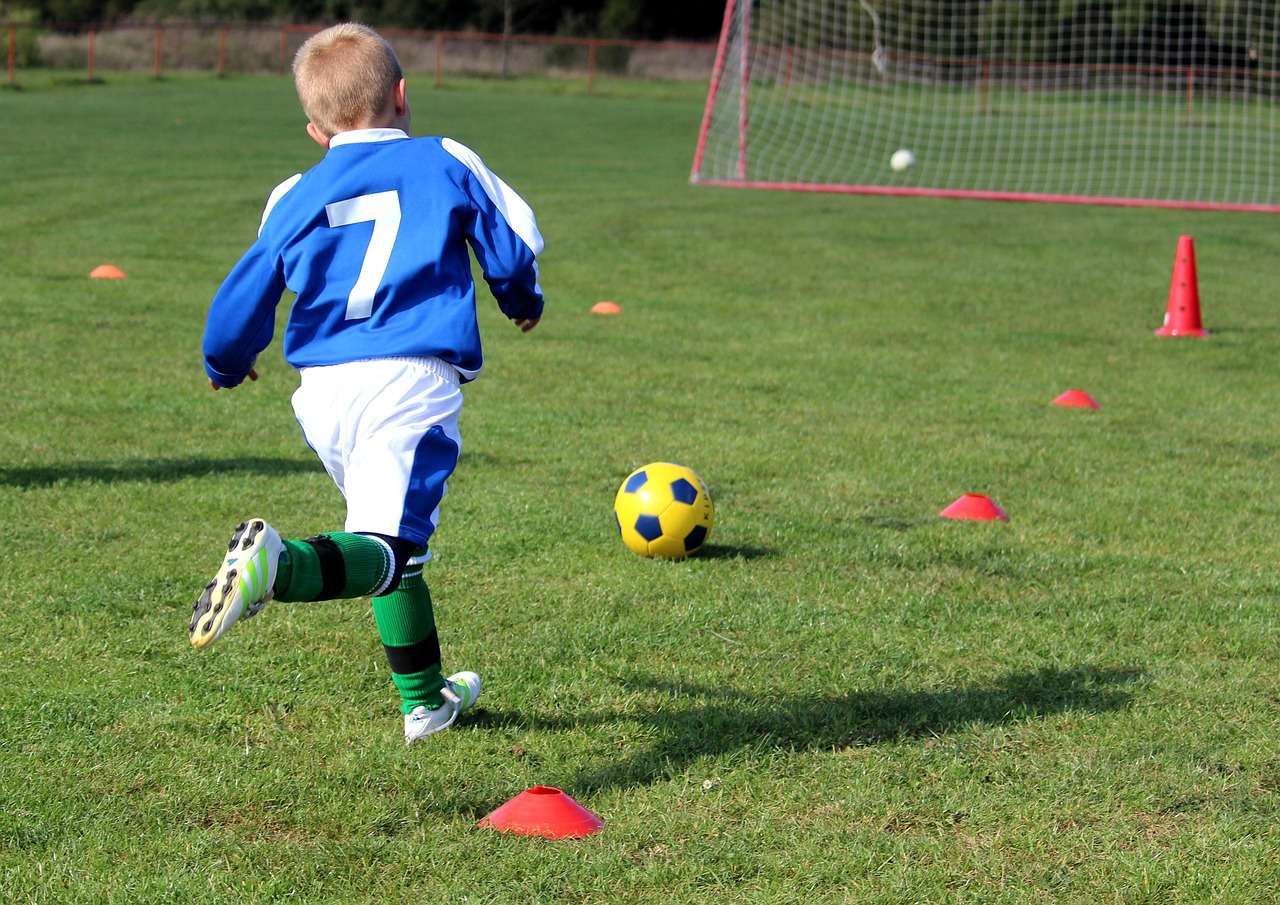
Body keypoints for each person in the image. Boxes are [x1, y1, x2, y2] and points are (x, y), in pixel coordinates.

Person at [190, 22, 545, 745]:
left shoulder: (293, 191)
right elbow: (508, 249)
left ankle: (427, 701)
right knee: (388, 544)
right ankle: (276, 565)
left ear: (316, 129)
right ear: (404, 96)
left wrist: (228, 360)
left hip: (321, 391)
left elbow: (246, 288)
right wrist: (522, 302)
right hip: (408, 380)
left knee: (392, 542)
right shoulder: (443, 156)